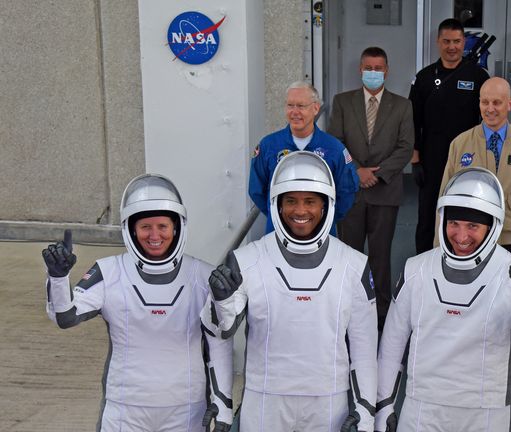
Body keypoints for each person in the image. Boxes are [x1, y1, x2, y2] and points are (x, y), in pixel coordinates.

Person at [374, 168, 511, 432]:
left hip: (486, 413)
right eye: (454, 224)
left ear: (492, 225)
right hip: (423, 408)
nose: (461, 237)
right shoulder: (416, 269)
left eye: (473, 226)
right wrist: (384, 406)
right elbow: (392, 344)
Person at [202, 151, 378, 432]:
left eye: (310, 201)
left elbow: (365, 348)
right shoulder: (247, 259)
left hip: (329, 400)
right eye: (291, 201)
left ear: (325, 205)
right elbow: (221, 331)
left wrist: (366, 411)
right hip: (265, 398)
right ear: (277, 205)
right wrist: (220, 301)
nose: (300, 211)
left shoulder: (354, 264)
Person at [42, 174, 233, 432]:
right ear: (131, 228)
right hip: (125, 409)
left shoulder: (202, 276)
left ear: (177, 227)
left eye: (162, 226)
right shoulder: (109, 272)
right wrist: (57, 277)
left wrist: (222, 403)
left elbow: (219, 342)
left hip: (186, 408)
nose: (154, 235)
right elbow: (65, 317)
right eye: (145, 227)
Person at [328, 46, 415, 330]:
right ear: (360, 69)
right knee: (350, 254)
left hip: (384, 191)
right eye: (369, 68)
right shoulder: (342, 102)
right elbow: (335, 143)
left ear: (387, 71)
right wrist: (357, 172)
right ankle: (349, 308)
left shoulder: (402, 105)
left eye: (379, 68)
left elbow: (405, 148)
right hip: (351, 191)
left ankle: (381, 313)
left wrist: (378, 174)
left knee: (380, 256)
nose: (373, 73)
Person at [439, 77, 511, 256]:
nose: (490, 109)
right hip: (470, 241)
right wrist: (441, 250)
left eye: (497, 103)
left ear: (509, 104)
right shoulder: (460, 144)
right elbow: (444, 201)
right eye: (485, 102)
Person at [410, 18, 490, 254]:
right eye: (446, 41)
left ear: (463, 41)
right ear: (438, 42)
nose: (452, 47)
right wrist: (415, 159)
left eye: (457, 41)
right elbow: (413, 119)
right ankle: (424, 262)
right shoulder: (424, 78)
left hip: (469, 158)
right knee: (428, 217)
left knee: (466, 213)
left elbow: (488, 118)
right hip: (432, 158)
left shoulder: (477, 76)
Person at [248, 81, 359, 235]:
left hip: (322, 234)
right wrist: (281, 217)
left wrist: (322, 219)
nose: (294, 112)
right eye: (290, 105)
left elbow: (346, 192)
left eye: (301, 106)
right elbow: (256, 190)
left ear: (315, 108)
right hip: (278, 234)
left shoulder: (334, 149)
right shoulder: (268, 146)